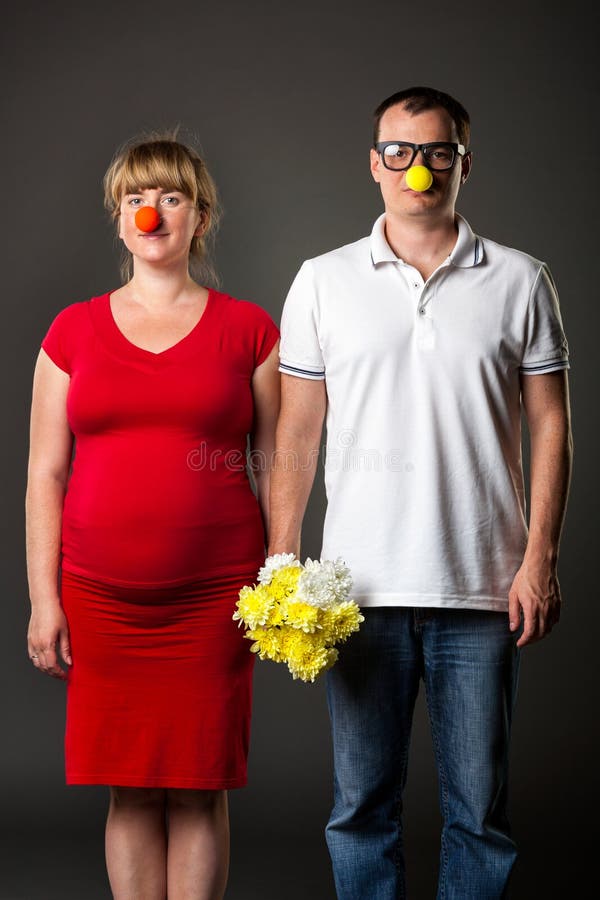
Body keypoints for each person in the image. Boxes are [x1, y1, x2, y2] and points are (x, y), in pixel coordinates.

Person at [268, 86, 572, 898]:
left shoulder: (521, 280)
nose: (418, 171)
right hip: (355, 591)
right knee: (361, 808)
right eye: (399, 153)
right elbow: (296, 434)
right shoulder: (322, 281)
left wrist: (539, 558)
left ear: (464, 164)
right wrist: (280, 560)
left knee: (481, 815)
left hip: (484, 587)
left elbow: (552, 429)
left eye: (438, 152)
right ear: (374, 164)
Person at [25, 134, 280, 900]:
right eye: (136, 197)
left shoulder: (251, 331)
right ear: (118, 216)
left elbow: (276, 468)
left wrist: (280, 585)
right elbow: (45, 473)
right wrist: (44, 600)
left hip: (214, 598)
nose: (151, 212)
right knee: (128, 786)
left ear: (200, 219)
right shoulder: (70, 332)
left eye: (171, 197)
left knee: (201, 785)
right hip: (100, 598)